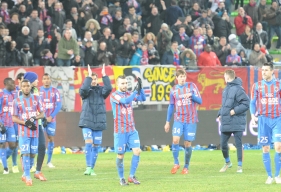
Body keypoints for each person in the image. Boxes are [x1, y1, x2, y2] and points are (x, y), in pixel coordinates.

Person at [164, 68, 202, 174]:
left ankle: (186, 166)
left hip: (191, 119)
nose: (182, 78)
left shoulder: (192, 86)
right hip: (179, 119)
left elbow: (200, 101)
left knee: (187, 144)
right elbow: (171, 106)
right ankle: (176, 163)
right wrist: (167, 121)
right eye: (180, 77)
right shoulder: (173, 90)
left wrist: (191, 95)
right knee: (175, 140)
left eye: (184, 76)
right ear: (176, 78)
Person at [110, 75, 146, 185]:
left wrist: (141, 88)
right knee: (121, 155)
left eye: (126, 83)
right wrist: (135, 92)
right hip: (120, 130)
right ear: (117, 84)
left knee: (137, 151)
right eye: (122, 83)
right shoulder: (114, 95)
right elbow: (125, 101)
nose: (125, 85)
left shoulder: (130, 93)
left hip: (131, 129)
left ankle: (131, 176)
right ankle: (121, 178)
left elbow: (143, 99)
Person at [250, 62, 281, 184]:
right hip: (263, 120)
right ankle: (269, 176)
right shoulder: (257, 86)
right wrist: (253, 115)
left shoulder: (279, 85)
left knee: (278, 147)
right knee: (266, 148)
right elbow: (252, 102)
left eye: (266, 70)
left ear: (272, 71)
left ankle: (277, 175)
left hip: (277, 119)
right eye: (262, 70)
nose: (263, 72)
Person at [79, 64, 112, 175]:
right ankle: (88, 167)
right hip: (87, 121)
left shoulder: (101, 91)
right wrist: (88, 77)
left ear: (98, 80)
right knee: (89, 142)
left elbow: (109, 88)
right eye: (91, 79)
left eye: (94, 79)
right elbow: (83, 90)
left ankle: (91, 168)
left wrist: (104, 75)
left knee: (96, 145)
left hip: (98, 121)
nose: (93, 81)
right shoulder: (85, 91)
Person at [11, 79, 45, 186]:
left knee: (33, 154)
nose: (26, 88)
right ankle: (28, 177)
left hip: (34, 131)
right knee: (25, 153)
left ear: (30, 87)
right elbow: (14, 118)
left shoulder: (36, 98)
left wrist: (34, 117)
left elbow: (42, 114)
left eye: (28, 86)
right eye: (24, 86)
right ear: (21, 87)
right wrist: (25, 123)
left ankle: (25, 175)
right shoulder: (16, 101)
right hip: (23, 132)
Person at [218, 70, 249, 173]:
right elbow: (224, 105)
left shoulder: (239, 89)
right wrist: (219, 114)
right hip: (226, 120)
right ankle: (228, 162)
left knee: (238, 144)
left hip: (237, 121)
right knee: (223, 144)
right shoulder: (226, 89)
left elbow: (246, 104)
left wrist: (235, 111)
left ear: (227, 77)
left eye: (224, 76)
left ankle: (239, 166)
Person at [22, 72, 47, 181]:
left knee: (42, 146)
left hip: (38, 123)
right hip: (26, 125)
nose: (38, 81)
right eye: (36, 79)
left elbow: (39, 106)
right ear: (31, 81)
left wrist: (43, 117)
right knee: (27, 150)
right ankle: (25, 173)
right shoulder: (21, 93)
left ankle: (37, 171)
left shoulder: (36, 91)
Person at [39, 73, 62, 168]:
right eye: (44, 78)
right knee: (40, 140)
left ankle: (49, 161)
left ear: (50, 80)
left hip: (51, 119)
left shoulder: (55, 91)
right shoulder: (39, 91)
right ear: (42, 80)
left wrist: (51, 116)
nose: (46, 80)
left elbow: (59, 105)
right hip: (41, 119)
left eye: (48, 78)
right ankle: (38, 161)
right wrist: (42, 117)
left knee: (51, 138)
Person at [0, 78, 18, 174]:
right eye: (12, 83)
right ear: (6, 83)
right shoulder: (1, 94)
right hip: (2, 123)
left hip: (11, 124)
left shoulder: (14, 94)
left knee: (13, 145)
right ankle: (5, 168)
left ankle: (2, 158)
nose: (14, 85)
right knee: (2, 144)